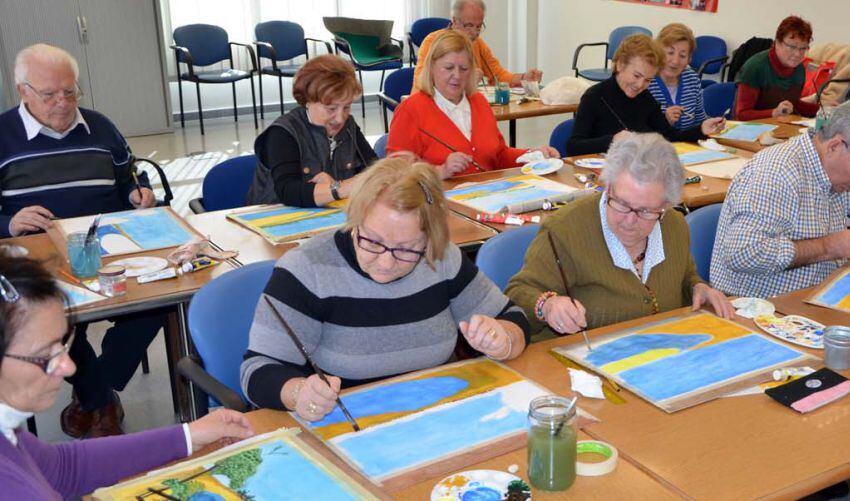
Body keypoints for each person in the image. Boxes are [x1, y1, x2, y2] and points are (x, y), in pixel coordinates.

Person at [241, 155, 529, 420]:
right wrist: (298, 393)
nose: (387, 263)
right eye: (373, 242)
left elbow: (512, 318)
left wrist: (504, 341)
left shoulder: (440, 257)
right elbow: (256, 372)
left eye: (406, 249)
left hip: (435, 416)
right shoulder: (309, 268)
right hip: (343, 425)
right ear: (355, 220)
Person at [0, 44, 164, 437]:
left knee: (160, 301)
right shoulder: (3, 136)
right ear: (23, 91)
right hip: (34, 263)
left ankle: (97, 390)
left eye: (70, 92)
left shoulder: (101, 127)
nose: (63, 103)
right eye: (49, 94)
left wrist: (137, 194)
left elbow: (129, 177)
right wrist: (8, 221)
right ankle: (101, 402)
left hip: (106, 249)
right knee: (48, 316)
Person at [0, 257, 254, 498]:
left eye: (64, 345)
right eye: (45, 355)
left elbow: (63, 468)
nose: (68, 367)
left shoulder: (9, 434)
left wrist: (188, 436)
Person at [506, 133, 734, 339]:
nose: (629, 220)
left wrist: (698, 288)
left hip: (659, 355)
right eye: (622, 204)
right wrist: (547, 305)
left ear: (666, 205)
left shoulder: (674, 226)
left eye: (645, 211)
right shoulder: (564, 229)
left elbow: (685, 276)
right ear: (608, 188)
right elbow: (518, 293)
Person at [709, 102, 850, 298]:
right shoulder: (778, 172)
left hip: (816, 296)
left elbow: (844, 245)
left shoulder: (838, 174)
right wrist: (826, 247)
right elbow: (742, 253)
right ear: (835, 146)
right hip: (756, 307)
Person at [388, 30, 557, 179]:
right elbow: (395, 174)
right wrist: (440, 171)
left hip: (486, 199)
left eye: (464, 69)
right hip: (436, 206)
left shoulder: (479, 103)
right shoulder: (411, 109)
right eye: (448, 68)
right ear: (431, 67)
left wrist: (531, 155)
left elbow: (498, 156)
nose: (457, 75)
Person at [246, 54, 378, 207]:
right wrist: (339, 189)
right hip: (274, 219)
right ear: (307, 101)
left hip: (330, 218)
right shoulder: (282, 133)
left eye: (347, 107)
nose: (340, 118)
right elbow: (288, 191)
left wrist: (335, 185)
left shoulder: (349, 126)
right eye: (331, 109)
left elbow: (375, 171)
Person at [567, 34, 726, 156]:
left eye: (648, 80)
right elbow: (574, 146)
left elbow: (670, 136)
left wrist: (701, 130)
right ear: (620, 65)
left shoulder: (645, 98)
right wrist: (612, 140)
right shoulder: (594, 96)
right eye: (636, 76)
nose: (640, 85)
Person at [411, 0, 542, 93]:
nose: (474, 32)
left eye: (479, 26)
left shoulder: (477, 43)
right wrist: (465, 78)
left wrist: (524, 77)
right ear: (455, 21)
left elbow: (498, 75)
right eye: (469, 26)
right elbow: (421, 82)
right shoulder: (432, 41)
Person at [733, 16, 821, 121]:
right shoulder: (755, 67)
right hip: (748, 131)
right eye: (792, 47)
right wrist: (774, 112)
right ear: (777, 43)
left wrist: (824, 110)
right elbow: (742, 115)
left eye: (803, 48)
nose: (798, 54)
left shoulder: (799, 69)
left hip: (779, 127)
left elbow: (793, 104)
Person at [648, 23, 709, 131]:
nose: (675, 61)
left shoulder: (692, 80)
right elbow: (635, 129)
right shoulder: (646, 80)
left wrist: (709, 126)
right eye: (670, 53)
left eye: (682, 56)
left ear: (689, 58)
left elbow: (700, 121)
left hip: (688, 146)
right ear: (658, 52)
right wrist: (663, 121)